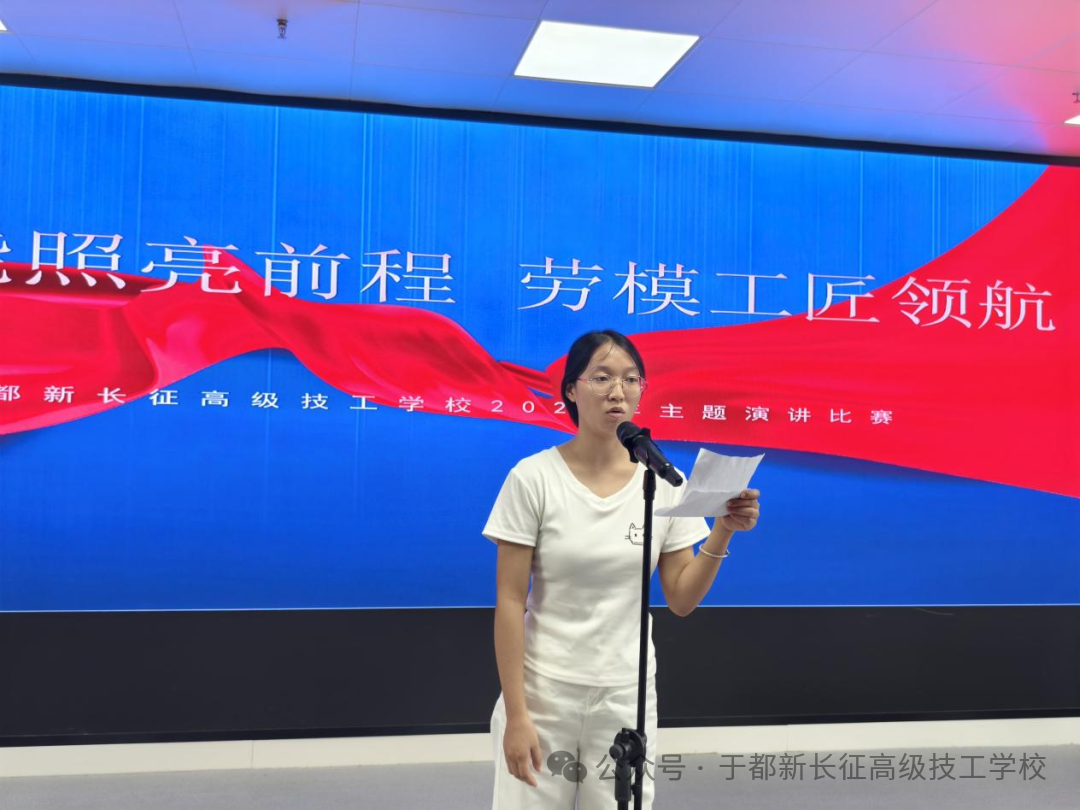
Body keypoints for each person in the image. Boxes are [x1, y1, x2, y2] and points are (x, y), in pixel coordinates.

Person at [483, 329, 762, 809]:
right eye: (602, 377)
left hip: (625, 695)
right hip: (543, 690)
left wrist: (722, 531)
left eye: (631, 379)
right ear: (571, 390)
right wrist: (517, 714)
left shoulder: (663, 481)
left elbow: (681, 599)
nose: (618, 390)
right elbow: (509, 601)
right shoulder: (533, 477)